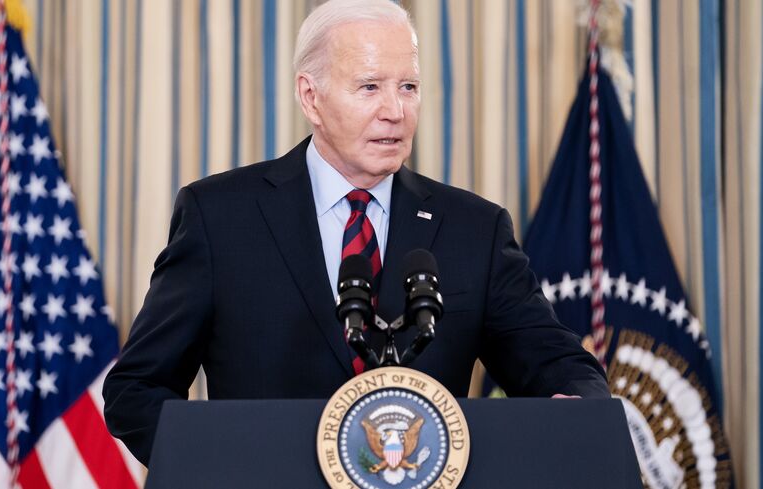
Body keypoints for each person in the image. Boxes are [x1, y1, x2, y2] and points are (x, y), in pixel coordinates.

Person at [103, 0, 609, 467]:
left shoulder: (475, 228)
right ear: (311, 96)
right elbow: (137, 389)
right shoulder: (219, 217)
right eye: (370, 87)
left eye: (407, 87)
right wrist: (222, 468)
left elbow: (558, 365)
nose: (395, 110)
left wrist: (576, 403)